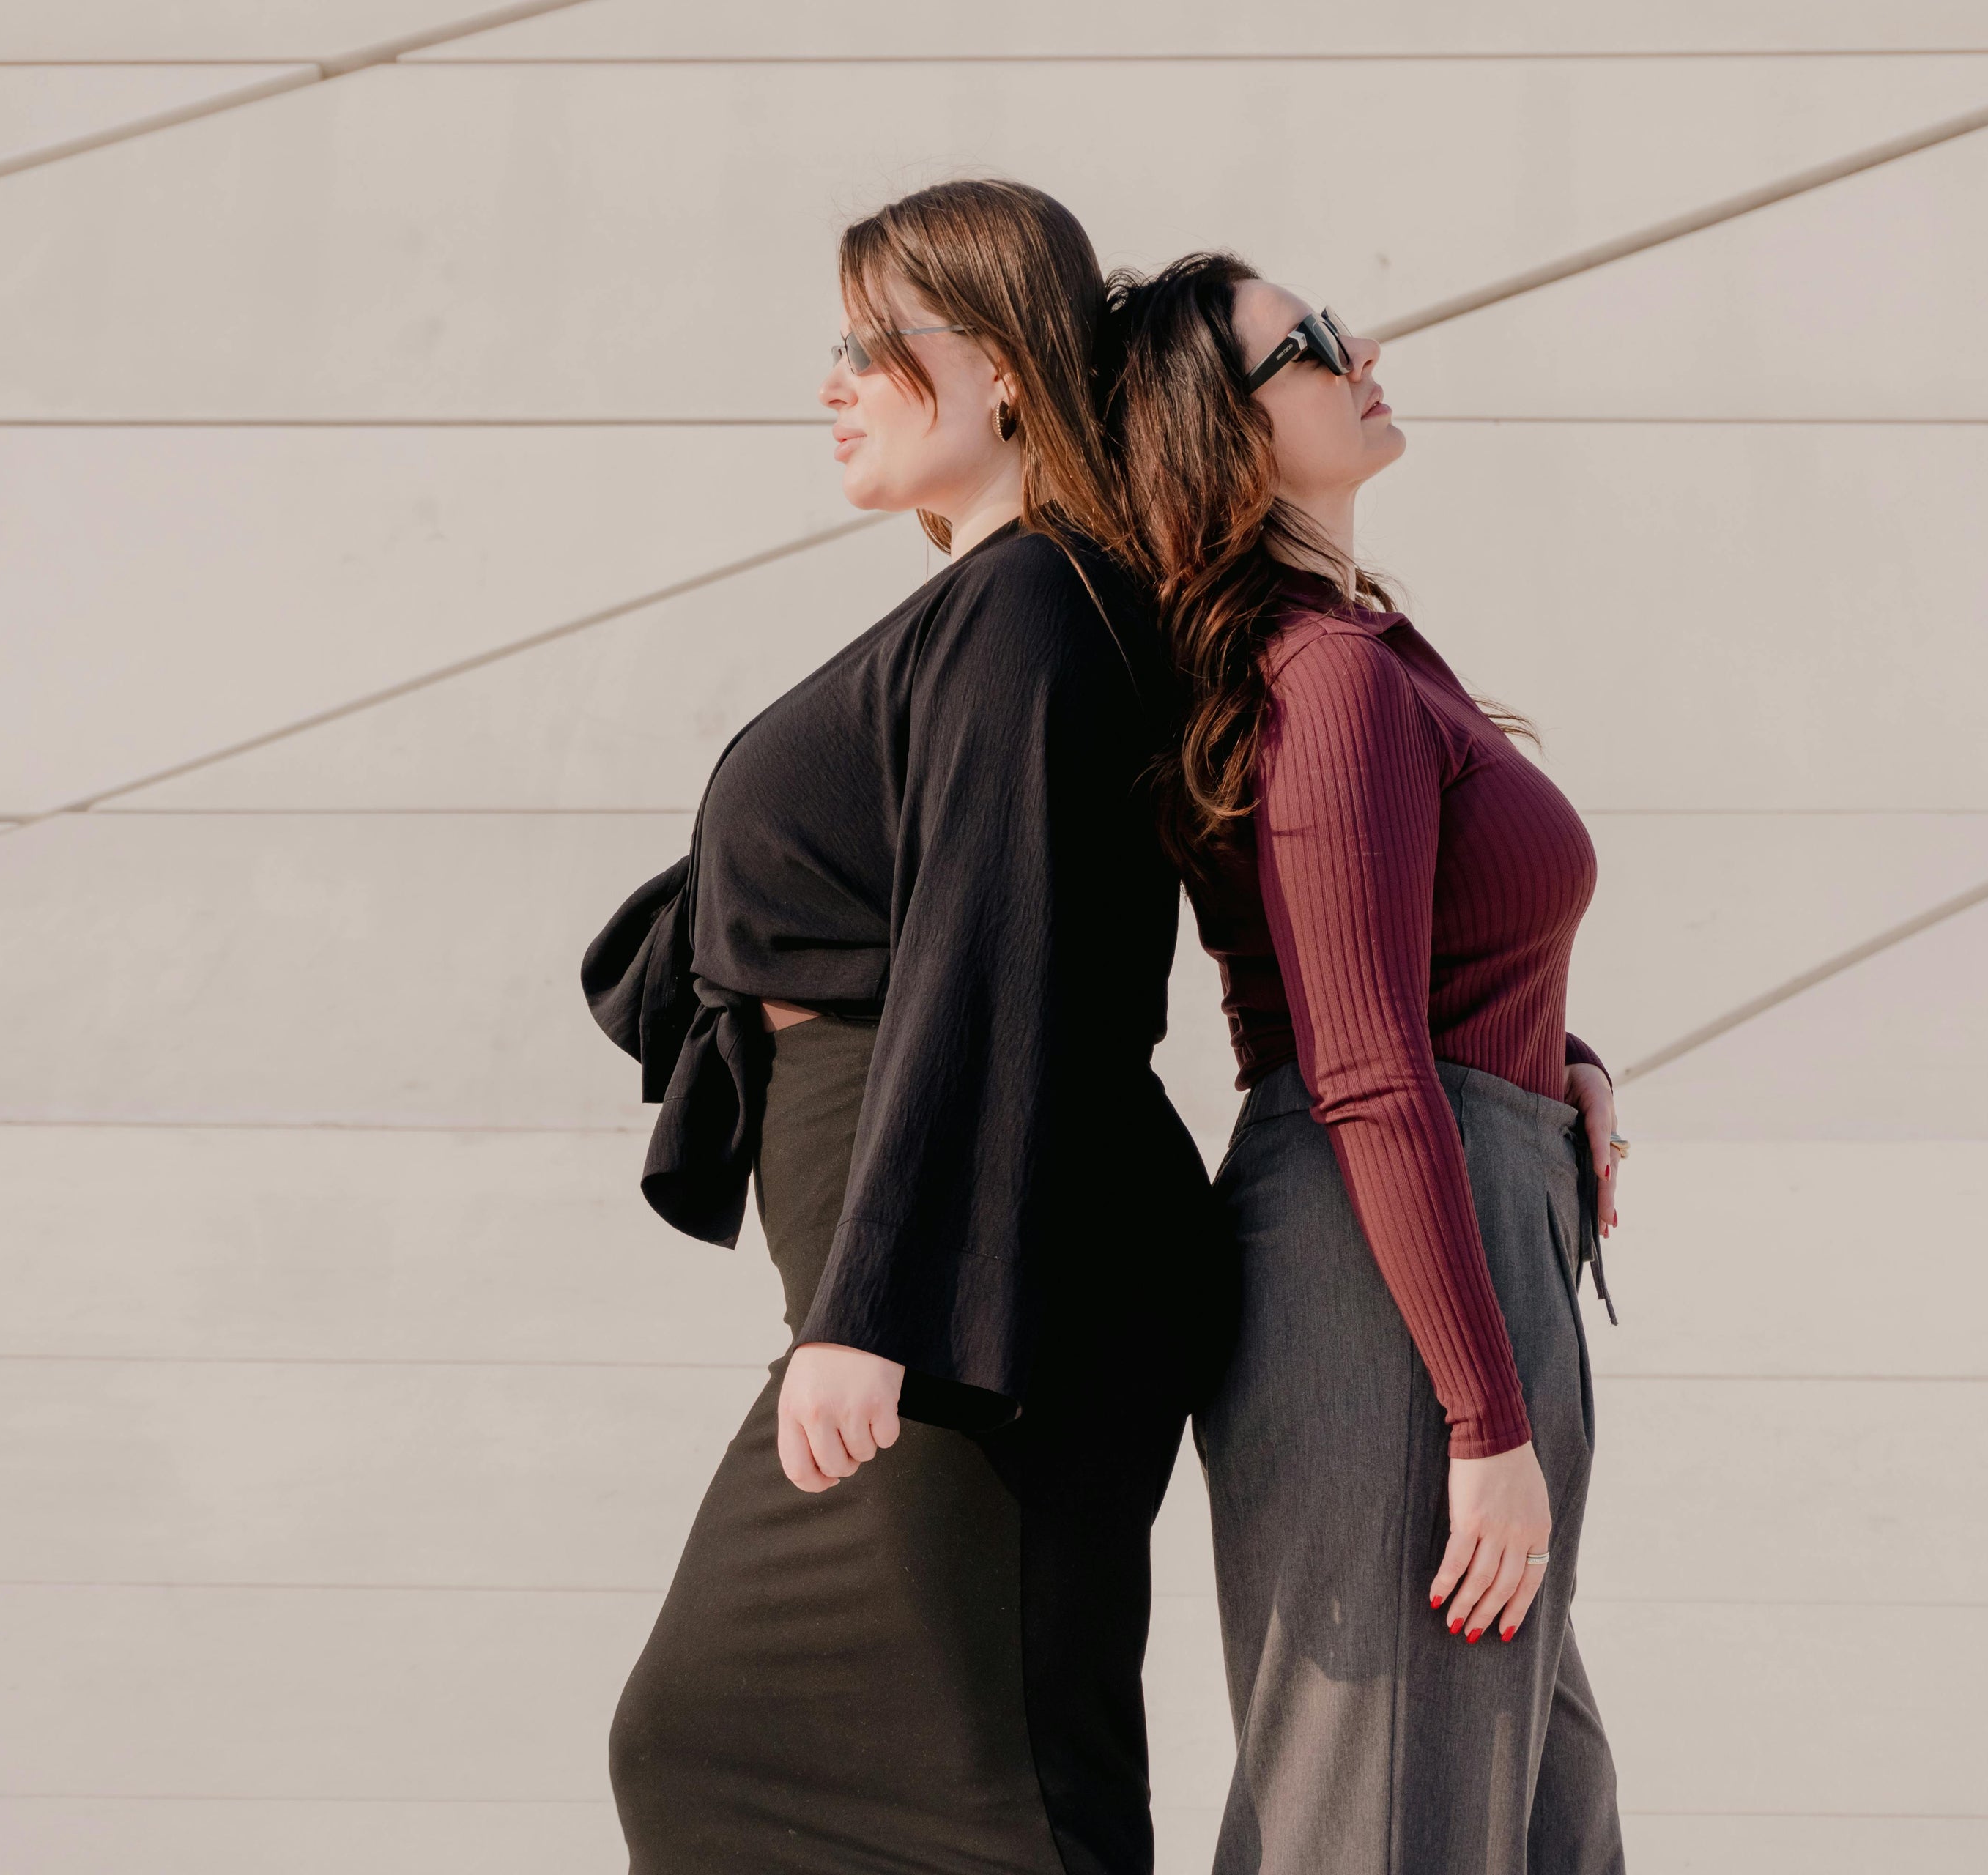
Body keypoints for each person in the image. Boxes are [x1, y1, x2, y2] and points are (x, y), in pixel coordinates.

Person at [579, 182, 1230, 1875]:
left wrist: (879, 1307)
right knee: (764, 1741)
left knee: (991, 1780)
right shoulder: (998, 610)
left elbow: (989, 957)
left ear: (1006, 368)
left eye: (878, 343)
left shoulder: (1030, 606)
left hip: (981, 1281)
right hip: (945, 1263)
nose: (837, 380)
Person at [1105, 252, 1630, 1874]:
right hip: (1397, 1270)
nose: (1365, 348)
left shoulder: (1362, 648)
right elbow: (1363, 1064)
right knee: (1380, 1818)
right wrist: (1482, 1416)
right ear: (1225, 432)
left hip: (1461, 1220)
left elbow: (1411, 965)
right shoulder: (1325, 681)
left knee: (1537, 1818)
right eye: (1313, 345)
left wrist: (1559, 1060)